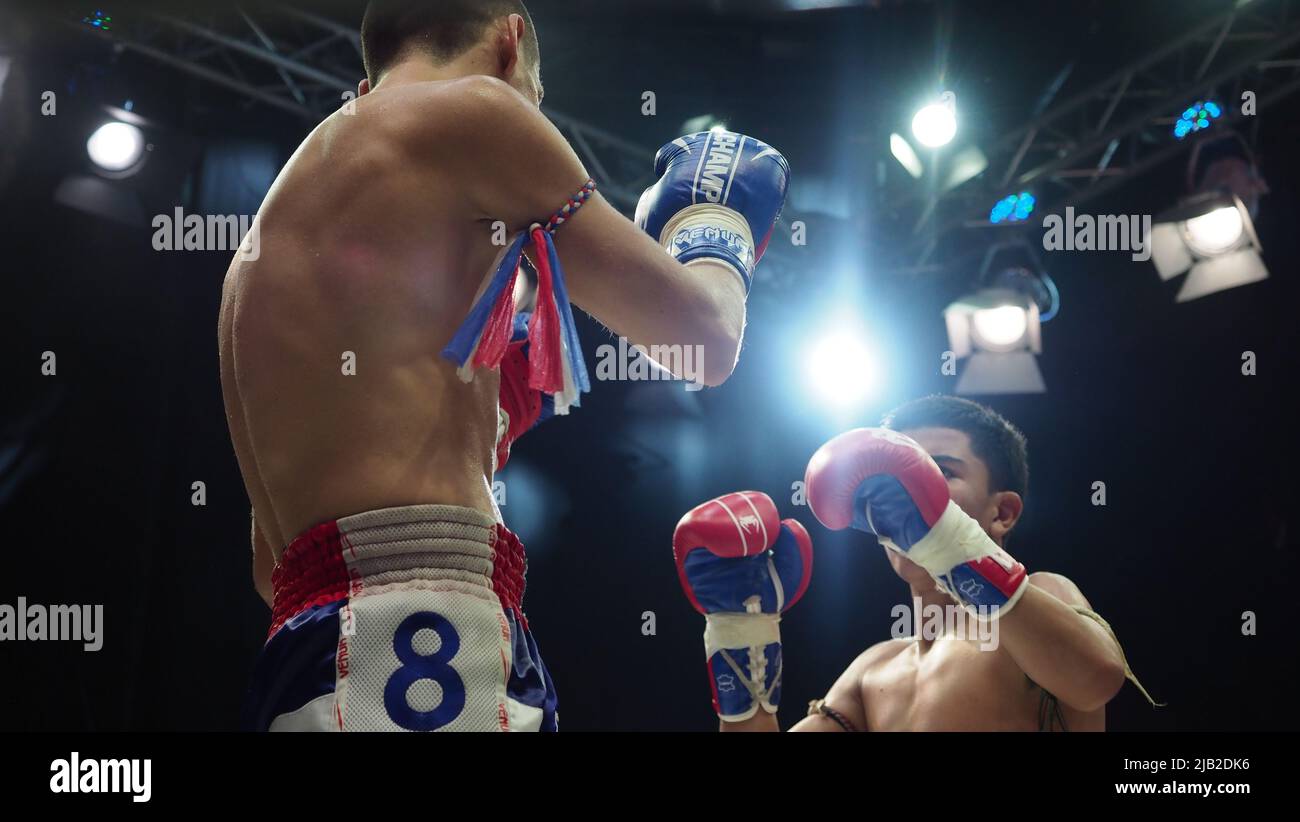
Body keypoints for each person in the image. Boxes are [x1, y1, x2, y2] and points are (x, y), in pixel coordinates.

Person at [220, 0, 788, 731]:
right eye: (539, 95)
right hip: (419, 642)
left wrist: (489, 413)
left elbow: (274, 566)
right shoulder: (476, 110)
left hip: (310, 660)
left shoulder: (255, 255)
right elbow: (705, 340)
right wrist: (716, 229)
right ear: (510, 42)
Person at [673, 395, 1157, 731]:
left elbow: (1096, 679)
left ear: (1002, 512)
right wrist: (740, 632)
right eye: (890, 480)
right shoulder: (873, 670)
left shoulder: (1043, 599)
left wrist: (947, 540)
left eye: (941, 472)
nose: (905, 494)